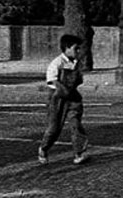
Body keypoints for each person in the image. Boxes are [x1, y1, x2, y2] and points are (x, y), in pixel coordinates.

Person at [38, 34, 89, 165]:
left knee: (76, 124)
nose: (78, 51)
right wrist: (64, 90)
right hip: (58, 98)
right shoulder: (57, 63)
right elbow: (53, 81)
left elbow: (78, 80)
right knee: (54, 128)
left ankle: (79, 153)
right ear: (67, 48)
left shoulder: (77, 62)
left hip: (72, 97)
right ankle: (44, 148)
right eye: (76, 48)